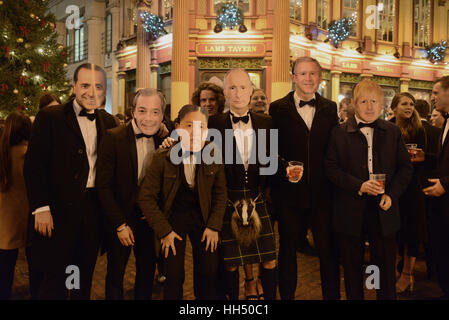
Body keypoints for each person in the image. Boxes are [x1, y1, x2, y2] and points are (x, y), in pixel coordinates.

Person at [23, 63, 118, 300]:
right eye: (85, 85)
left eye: (98, 86)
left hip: (92, 210)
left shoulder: (110, 122)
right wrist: (41, 207)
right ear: (74, 86)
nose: (91, 92)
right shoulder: (50, 117)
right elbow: (34, 166)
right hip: (57, 211)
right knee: (53, 278)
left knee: (81, 275)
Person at [325, 79, 413, 300]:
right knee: (353, 269)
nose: (370, 106)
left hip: (383, 211)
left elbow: (405, 168)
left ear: (382, 104)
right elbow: (331, 168)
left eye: (374, 101)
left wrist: (392, 195)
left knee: (381, 268)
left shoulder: (392, 132)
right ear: (354, 103)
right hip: (350, 211)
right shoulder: (338, 132)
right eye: (364, 101)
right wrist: (359, 185)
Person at [138, 104, 227, 300]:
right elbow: (146, 197)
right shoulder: (162, 157)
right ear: (178, 128)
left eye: (201, 127)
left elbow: (221, 195)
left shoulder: (214, 155)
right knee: (173, 274)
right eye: (189, 125)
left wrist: (214, 226)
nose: (195, 132)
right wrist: (164, 231)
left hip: (204, 216)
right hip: (173, 217)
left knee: (209, 271)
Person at [269, 57, 340, 300]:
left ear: (320, 78)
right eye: (303, 74)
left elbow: (335, 150)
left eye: (313, 74)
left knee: (328, 251)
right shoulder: (277, 108)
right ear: (294, 77)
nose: (308, 79)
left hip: (323, 195)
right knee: (287, 249)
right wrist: (282, 169)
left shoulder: (331, 108)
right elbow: (270, 151)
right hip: (289, 196)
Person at [209, 68, 278, 301]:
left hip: (258, 198)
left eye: (242, 87)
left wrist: (282, 173)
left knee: (269, 258)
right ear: (225, 93)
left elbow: (272, 162)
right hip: (228, 199)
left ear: (251, 91)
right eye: (232, 88)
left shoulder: (267, 123)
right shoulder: (213, 124)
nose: (237, 93)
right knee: (230, 263)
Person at [96, 88, 170, 300]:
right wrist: (120, 224)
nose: (148, 118)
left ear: (162, 115)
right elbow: (103, 186)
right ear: (133, 112)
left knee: (147, 273)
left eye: (155, 112)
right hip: (120, 218)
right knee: (115, 275)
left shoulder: (165, 141)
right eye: (142, 110)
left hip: (149, 220)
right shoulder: (113, 138)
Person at [389, 92, 428, 294]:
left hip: (412, 187)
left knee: (411, 232)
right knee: (397, 232)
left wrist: (418, 158)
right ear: (394, 107)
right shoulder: (387, 127)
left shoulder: (419, 130)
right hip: (393, 187)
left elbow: (426, 158)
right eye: (404, 103)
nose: (409, 107)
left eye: (411, 104)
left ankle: (407, 274)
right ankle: (397, 270)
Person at [422, 75, 449, 299]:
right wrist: (426, 157)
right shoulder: (446, 121)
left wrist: (446, 185)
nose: (432, 97)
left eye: (436, 92)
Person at [0, 112, 32, 300]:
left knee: (4, 272)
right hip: (29, 219)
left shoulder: (3, 154)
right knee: (36, 268)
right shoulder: (30, 155)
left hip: (4, 223)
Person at [412, 99, 441, 279]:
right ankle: (433, 270)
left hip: (422, 185)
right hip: (433, 184)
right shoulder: (437, 131)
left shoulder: (412, 131)